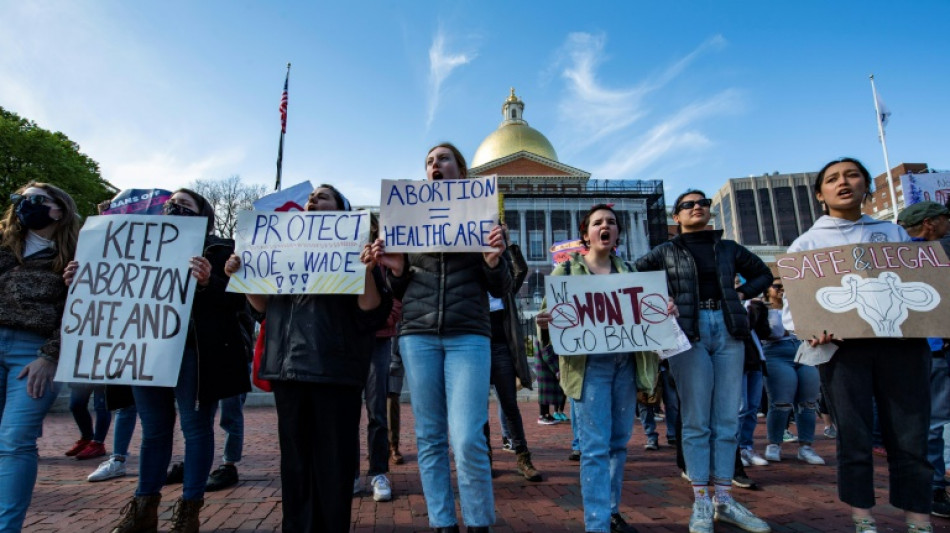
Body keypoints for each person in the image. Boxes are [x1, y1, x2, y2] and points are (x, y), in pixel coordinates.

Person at [65, 188, 253, 533]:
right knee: (153, 432)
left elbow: (238, 303)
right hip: (147, 348)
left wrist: (209, 282)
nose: (174, 207)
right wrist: (82, 280)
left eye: (185, 204)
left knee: (195, 430)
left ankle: (188, 510)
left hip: (194, 354)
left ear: (204, 214)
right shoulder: (136, 245)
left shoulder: (221, 249)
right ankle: (143, 508)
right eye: (171, 203)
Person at [226, 184, 392, 533]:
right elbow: (262, 308)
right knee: (296, 464)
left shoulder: (357, 252)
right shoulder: (281, 250)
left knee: (333, 464)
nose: (313, 201)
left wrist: (365, 272)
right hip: (288, 368)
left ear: (342, 212)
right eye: (310, 198)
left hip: (336, 370)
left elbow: (371, 313)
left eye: (323, 196)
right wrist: (243, 276)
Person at [785, 158, 933, 533]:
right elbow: (793, 311)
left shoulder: (893, 233)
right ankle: (862, 516)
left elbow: (920, 285)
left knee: (911, 433)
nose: (843, 183)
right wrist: (812, 329)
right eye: (832, 179)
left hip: (902, 345)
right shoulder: (808, 243)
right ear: (820, 195)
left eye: (852, 175)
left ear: (865, 185)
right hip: (843, 352)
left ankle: (918, 518)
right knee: (854, 434)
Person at [370, 143, 510, 533]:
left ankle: (478, 523)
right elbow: (399, 290)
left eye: (444, 158)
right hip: (418, 335)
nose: (436, 164)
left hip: (469, 334)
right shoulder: (407, 218)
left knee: (467, 438)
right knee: (430, 437)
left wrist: (493, 260)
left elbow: (502, 286)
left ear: (461, 172)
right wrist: (396, 270)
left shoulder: (484, 217)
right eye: (430, 161)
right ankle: (442, 522)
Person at [636, 189, 773, 533]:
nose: (697, 207)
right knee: (696, 420)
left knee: (727, 418)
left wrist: (740, 292)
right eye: (688, 205)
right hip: (686, 331)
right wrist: (661, 299)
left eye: (702, 203)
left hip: (728, 329)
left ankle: (724, 499)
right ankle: (700, 500)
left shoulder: (728, 248)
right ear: (676, 216)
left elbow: (763, 274)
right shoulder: (665, 251)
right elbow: (633, 276)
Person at [536, 203, 663, 533]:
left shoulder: (631, 272)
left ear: (617, 232)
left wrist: (665, 310)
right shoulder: (566, 273)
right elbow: (547, 321)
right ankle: (597, 524)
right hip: (589, 366)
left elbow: (648, 315)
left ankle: (611, 511)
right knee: (594, 448)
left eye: (611, 222)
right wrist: (544, 322)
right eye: (597, 223)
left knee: (618, 443)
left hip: (626, 364)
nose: (605, 226)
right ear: (586, 234)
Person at [0, 183, 80, 531]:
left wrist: (50, 356)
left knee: (15, 439)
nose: (24, 205)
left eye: (35, 200)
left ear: (59, 209)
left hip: (33, 354)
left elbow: (80, 313)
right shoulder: (4, 246)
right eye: (20, 200)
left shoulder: (79, 255)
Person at [897, 200, 950, 519]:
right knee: (935, 421)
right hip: (932, 347)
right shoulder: (929, 255)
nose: (948, 224)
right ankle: (932, 487)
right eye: (945, 219)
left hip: (924, 347)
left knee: (930, 421)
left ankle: (930, 485)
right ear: (930, 223)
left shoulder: (897, 255)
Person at [484, 228, 541, 482]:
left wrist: (507, 244)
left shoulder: (504, 283)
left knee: (509, 403)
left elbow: (520, 270)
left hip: (501, 346)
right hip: (475, 344)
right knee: (478, 408)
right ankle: (484, 458)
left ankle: (523, 456)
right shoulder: (473, 274)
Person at [747, 283, 824, 466]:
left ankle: (806, 447)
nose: (781, 289)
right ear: (767, 291)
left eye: (784, 286)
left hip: (803, 350)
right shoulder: (762, 308)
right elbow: (767, 332)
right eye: (777, 286)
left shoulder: (799, 306)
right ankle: (774, 444)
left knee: (808, 401)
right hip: (776, 353)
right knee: (781, 401)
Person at [355, 213, 398, 502]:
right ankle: (350, 472)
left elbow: (396, 301)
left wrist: (381, 320)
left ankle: (378, 471)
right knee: (345, 412)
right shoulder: (338, 254)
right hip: (346, 341)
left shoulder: (384, 258)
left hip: (378, 340)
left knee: (377, 410)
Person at [205, 306, 256, 492]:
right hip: (212, 351)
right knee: (204, 416)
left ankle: (229, 464)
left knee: (231, 413)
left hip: (234, 352)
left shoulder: (235, 296)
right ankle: (200, 462)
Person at [65, 384, 111, 460]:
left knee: (101, 406)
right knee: (76, 404)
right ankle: (86, 439)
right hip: (82, 377)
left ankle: (98, 443)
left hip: (103, 378)